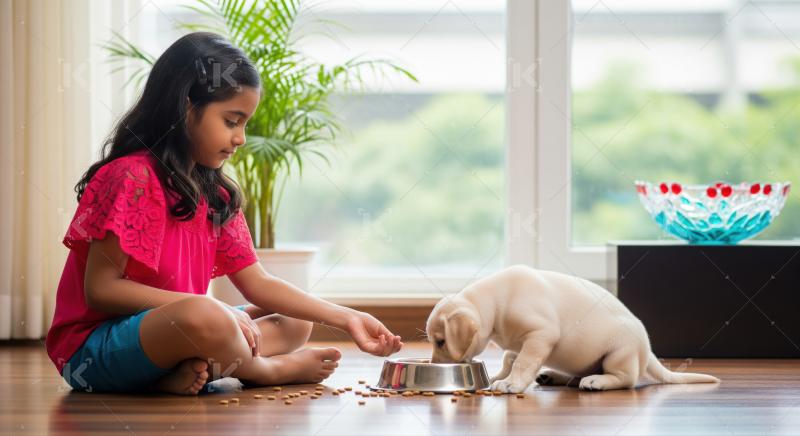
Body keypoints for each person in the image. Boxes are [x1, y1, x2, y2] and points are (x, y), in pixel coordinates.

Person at [45, 32, 402, 395]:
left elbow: (259, 284)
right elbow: (101, 290)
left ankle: (181, 373)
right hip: (93, 351)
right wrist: (212, 309)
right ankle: (263, 369)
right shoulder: (130, 177)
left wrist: (349, 317)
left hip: (184, 334)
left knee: (296, 321)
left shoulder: (215, 193)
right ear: (186, 108)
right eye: (232, 121)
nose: (241, 138)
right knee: (209, 316)